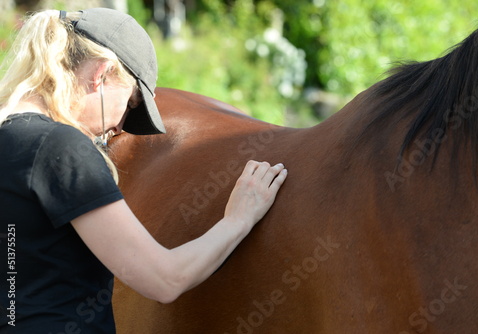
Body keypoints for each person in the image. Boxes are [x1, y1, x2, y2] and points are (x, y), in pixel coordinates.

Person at [0, 8, 287, 333]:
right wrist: (238, 220)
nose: (119, 126)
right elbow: (165, 279)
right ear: (102, 75)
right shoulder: (61, 148)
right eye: (131, 103)